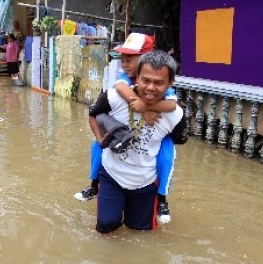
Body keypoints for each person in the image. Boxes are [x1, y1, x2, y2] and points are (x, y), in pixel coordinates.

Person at [74, 33, 178, 224]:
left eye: (130, 59)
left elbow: (172, 105)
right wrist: (138, 103)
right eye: (123, 59)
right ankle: (94, 185)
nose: (125, 64)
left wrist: (147, 107)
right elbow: (120, 88)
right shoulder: (125, 80)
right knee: (98, 147)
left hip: (153, 146)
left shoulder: (160, 79)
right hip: (118, 147)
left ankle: (162, 198)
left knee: (166, 157)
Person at [89, 50, 188, 233]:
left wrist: (151, 110)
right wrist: (100, 139)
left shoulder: (175, 115)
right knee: (106, 226)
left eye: (159, 83)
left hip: (146, 183)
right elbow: (92, 114)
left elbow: (179, 140)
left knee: (140, 233)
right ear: (137, 77)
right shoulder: (114, 97)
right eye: (146, 80)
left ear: (170, 83)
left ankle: (161, 199)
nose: (150, 88)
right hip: (112, 175)